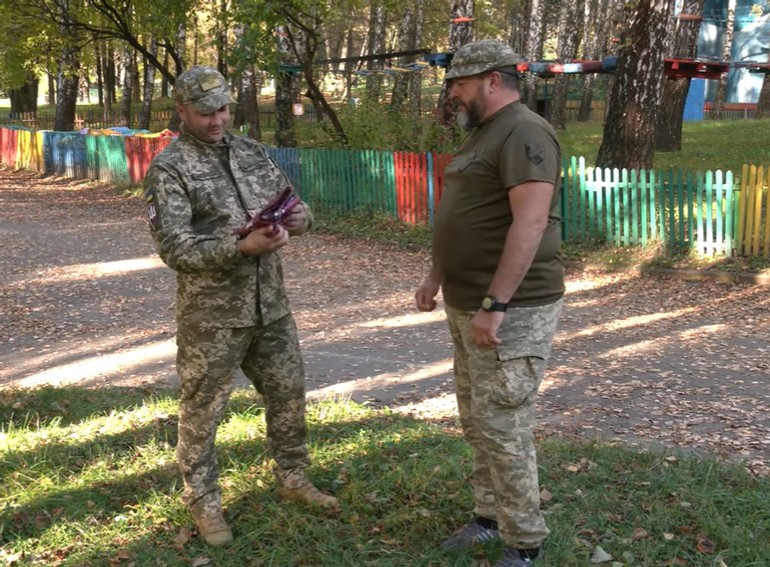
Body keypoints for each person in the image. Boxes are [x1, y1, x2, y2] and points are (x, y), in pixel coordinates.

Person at [144, 66, 337, 547]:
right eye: (206, 112)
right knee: (204, 409)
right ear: (183, 112)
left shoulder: (251, 152)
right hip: (213, 317)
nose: (217, 120)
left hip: (270, 306)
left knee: (288, 394)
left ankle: (293, 477)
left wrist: (297, 219)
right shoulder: (170, 168)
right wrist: (238, 249)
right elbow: (176, 249)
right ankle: (203, 500)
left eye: (224, 109)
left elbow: (299, 209)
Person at [414, 40, 564, 567]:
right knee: (478, 418)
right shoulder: (483, 133)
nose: (452, 93)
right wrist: (436, 275)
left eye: (459, 83)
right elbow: (464, 213)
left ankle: (524, 544)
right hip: (466, 300)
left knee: (503, 422)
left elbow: (531, 221)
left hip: (513, 308)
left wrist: (496, 302)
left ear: (493, 81)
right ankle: (487, 517)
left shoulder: (525, 131)